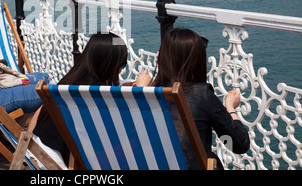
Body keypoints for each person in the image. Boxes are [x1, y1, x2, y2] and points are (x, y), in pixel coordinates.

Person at [28, 32, 150, 169]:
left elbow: (41, 111)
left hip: (37, 151)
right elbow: (130, 129)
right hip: (60, 163)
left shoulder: (69, 82)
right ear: (110, 64)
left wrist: (30, 141)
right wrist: (141, 91)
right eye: (121, 65)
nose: (121, 70)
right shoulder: (95, 97)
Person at [144, 28, 250, 170]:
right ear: (197, 61)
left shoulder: (148, 95)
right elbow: (238, 144)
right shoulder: (202, 95)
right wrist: (230, 108)